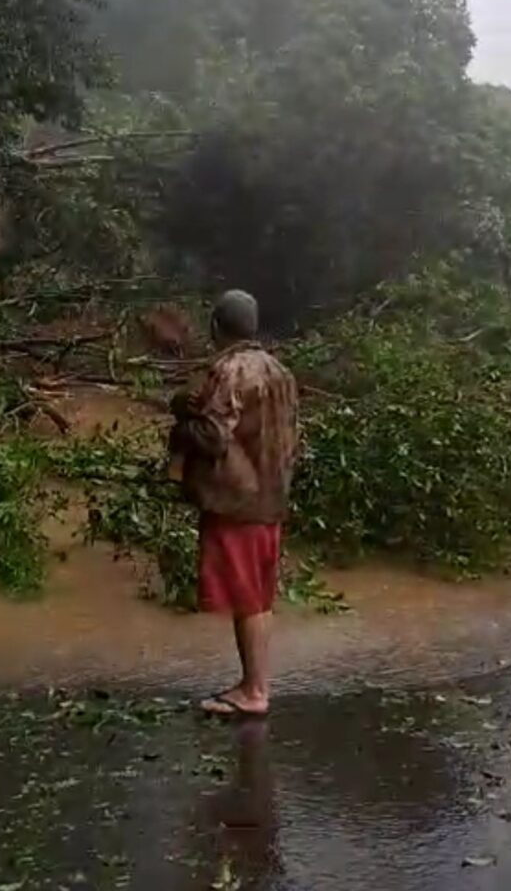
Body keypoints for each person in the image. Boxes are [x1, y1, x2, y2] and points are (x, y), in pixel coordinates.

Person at [169, 290, 298, 718]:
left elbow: (213, 437)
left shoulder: (229, 369)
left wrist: (183, 421)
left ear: (214, 327)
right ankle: (256, 684)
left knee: (245, 598)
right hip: (271, 498)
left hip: (237, 501)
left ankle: (254, 690)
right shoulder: (280, 371)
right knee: (258, 598)